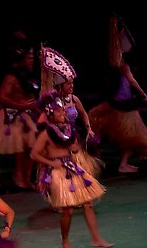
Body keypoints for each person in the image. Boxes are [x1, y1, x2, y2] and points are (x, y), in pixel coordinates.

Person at [31, 91, 114, 248]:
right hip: (58, 172)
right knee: (68, 210)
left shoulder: (69, 129)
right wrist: (49, 162)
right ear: (50, 114)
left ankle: (96, 238)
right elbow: (34, 154)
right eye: (60, 111)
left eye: (63, 111)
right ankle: (65, 243)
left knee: (88, 202)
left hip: (71, 167)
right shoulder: (46, 133)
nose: (64, 113)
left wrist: (78, 146)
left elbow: (73, 147)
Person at [88, 15, 147, 173]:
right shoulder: (122, 65)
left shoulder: (116, 63)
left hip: (117, 103)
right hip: (122, 105)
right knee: (133, 135)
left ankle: (121, 163)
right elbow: (132, 81)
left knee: (124, 134)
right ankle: (98, 157)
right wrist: (142, 94)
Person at [38, 46, 103, 178]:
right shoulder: (53, 102)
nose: (72, 86)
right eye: (69, 84)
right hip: (59, 139)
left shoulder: (74, 99)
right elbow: (42, 120)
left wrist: (88, 128)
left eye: (72, 83)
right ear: (60, 86)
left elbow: (84, 114)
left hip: (75, 135)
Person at [0, 33, 40, 190]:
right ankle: (19, 178)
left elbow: (31, 94)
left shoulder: (29, 76)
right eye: (29, 58)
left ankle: (26, 178)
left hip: (29, 115)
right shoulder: (12, 76)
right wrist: (21, 105)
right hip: (14, 115)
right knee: (22, 147)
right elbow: (2, 97)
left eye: (33, 58)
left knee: (32, 146)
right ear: (22, 58)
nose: (32, 61)